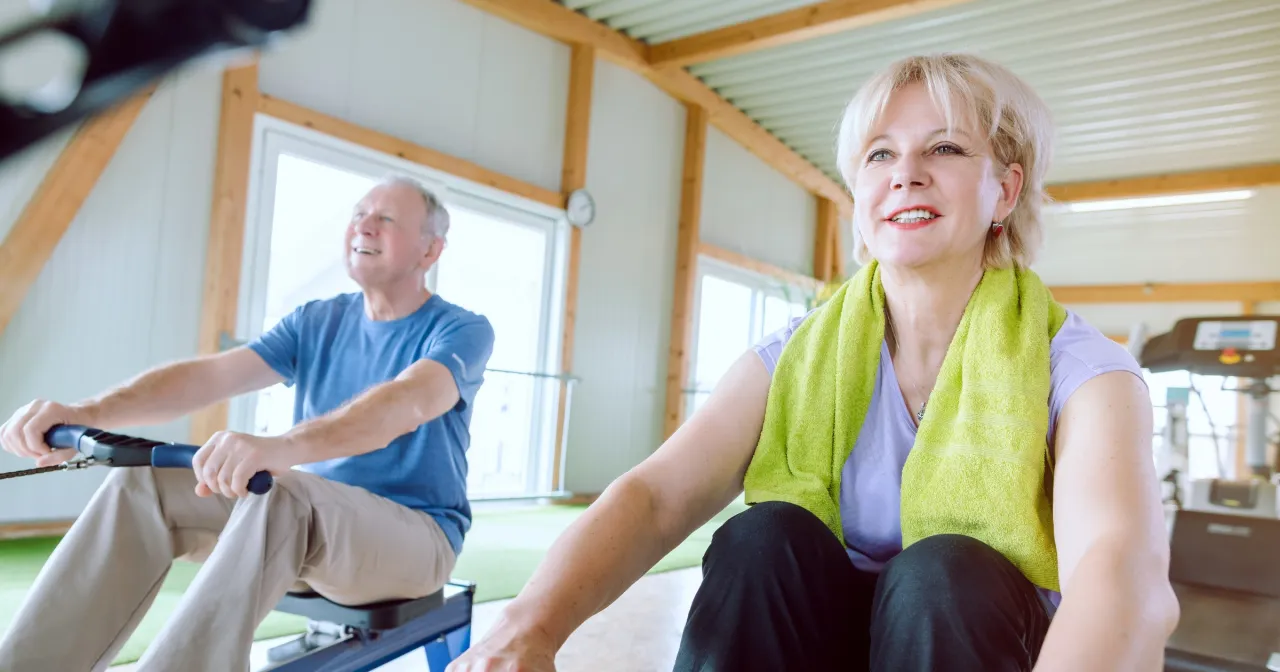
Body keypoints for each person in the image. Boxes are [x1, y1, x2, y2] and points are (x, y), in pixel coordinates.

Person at [449, 53, 1179, 672]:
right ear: (859, 190)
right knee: (764, 540)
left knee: (941, 573)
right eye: (881, 154)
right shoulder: (794, 355)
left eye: (946, 149)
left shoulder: (1082, 370)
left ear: (1006, 190)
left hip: (978, 645)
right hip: (816, 644)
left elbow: (1120, 573)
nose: (907, 174)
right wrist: (529, 628)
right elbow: (656, 497)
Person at [0, 175, 495, 672]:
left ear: (430, 252)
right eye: (359, 213)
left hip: (416, 540)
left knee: (280, 493)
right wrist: (86, 413)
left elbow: (404, 404)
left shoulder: (461, 329)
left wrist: (281, 447)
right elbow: (207, 378)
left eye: (385, 219)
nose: (363, 225)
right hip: (306, 532)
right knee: (146, 482)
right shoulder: (317, 321)